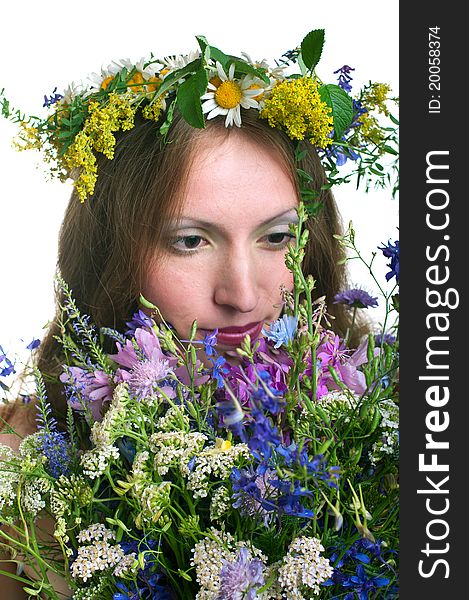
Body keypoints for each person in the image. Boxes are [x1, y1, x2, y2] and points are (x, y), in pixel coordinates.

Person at [0, 32, 384, 597]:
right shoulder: (17, 464)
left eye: (276, 237)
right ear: (111, 255)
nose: (243, 294)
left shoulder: (400, 432)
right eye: (189, 242)